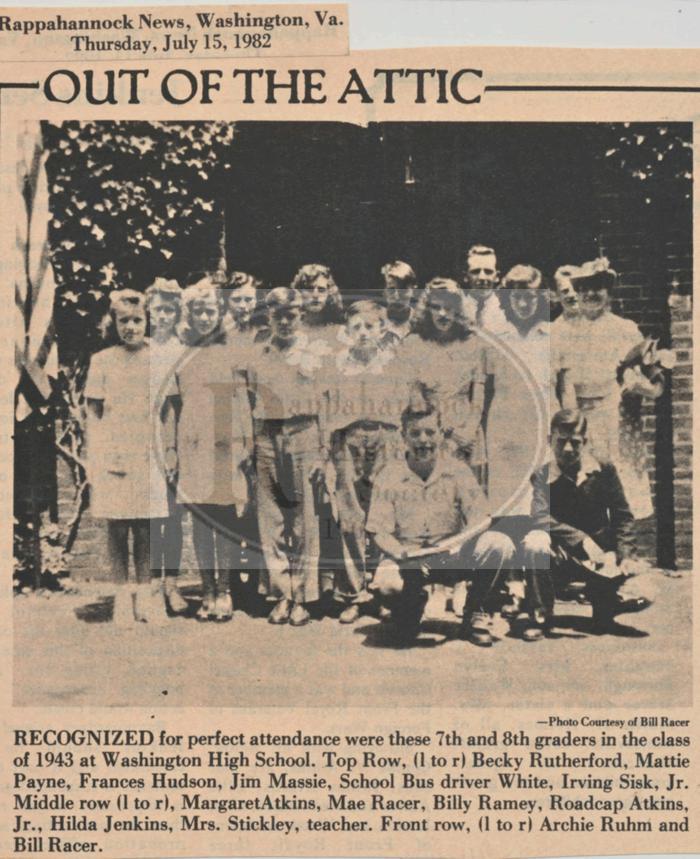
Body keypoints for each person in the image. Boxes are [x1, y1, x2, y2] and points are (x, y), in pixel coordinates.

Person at [366, 404, 516, 646]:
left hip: (451, 554)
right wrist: (402, 554)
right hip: (410, 556)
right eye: (415, 433)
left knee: (499, 544)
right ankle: (411, 609)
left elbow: (481, 518)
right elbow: (378, 530)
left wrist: (459, 543)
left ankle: (475, 613)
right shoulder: (389, 475)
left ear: (441, 434)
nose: (423, 440)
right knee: (387, 583)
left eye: (430, 432)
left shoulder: (458, 471)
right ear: (403, 436)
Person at [521, 408, 652, 639]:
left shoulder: (603, 469)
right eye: (561, 442)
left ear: (585, 442)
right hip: (562, 556)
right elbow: (539, 517)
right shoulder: (542, 475)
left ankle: (607, 608)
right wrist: (581, 541)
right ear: (550, 441)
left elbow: (623, 515)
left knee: (647, 592)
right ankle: (540, 617)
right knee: (534, 542)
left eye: (575, 442)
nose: (568, 449)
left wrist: (625, 555)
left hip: (602, 557)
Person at [85, 289, 171, 625]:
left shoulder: (159, 358)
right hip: (114, 454)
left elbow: (168, 410)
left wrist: (169, 450)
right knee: (118, 527)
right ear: (114, 323)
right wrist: (97, 454)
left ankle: (146, 597)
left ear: (147, 320)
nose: (131, 327)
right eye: (124, 321)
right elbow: (93, 411)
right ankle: (122, 596)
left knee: (146, 527)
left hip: (148, 452)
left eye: (137, 320)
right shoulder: (102, 360)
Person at [247, 286, 330, 627]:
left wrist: (323, 450)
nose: (284, 321)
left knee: (304, 520)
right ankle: (281, 593)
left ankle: (302, 596)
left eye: (291, 314)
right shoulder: (259, 351)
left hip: (304, 433)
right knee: (272, 519)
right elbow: (247, 398)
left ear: (301, 314)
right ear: (268, 315)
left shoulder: (315, 351)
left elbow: (326, 402)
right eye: (277, 314)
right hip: (267, 434)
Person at [172, 275, 253, 622]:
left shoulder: (230, 350)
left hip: (225, 444)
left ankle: (225, 591)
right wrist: (174, 449)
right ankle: (206, 591)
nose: (205, 318)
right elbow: (176, 407)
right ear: (190, 314)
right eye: (199, 312)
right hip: (193, 445)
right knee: (202, 521)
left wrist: (245, 442)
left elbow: (242, 400)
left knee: (225, 521)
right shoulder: (182, 354)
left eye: (211, 312)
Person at [326, 300, 409, 624]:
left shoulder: (393, 364)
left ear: (382, 329)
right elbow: (327, 410)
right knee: (351, 518)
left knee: (384, 515)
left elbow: (403, 409)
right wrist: (331, 453)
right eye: (356, 327)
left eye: (370, 327)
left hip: (385, 438)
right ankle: (354, 593)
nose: (363, 333)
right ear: (347, 331)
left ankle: (383, 591)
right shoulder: (337, 364)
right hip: (348, 439)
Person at [564, 257, 662, 518]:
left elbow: (654, 385)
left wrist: (637, 385)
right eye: (583, 288)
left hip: (616, 418)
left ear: (608, 292)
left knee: (622, 485)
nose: (590, 294)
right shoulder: (565, 331)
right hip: (580, 420)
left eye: (597, 287)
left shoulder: (624, 329)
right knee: (586, 487)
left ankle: (626, 556)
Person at [484, 264, 575, 517]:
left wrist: (570, 430)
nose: (524, 304)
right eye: (517, 297)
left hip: (544, 433)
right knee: (508, 507)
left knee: (547, 506)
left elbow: (566, 390)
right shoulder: (495, 339)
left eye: (530, 296)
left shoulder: (555, 336)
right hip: (506, 436)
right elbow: (484, 391)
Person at [403, 278, 487, 480]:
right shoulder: (413, 344)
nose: (442, 314)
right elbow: (415, 397)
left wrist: (467, 432)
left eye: (448, 308)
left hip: (467, 427)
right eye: (436, 307)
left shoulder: (473, 343)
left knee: (469, 496)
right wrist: (442, 433)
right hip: (429, 432)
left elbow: (479, 393)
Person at [144, 277, 188, 615]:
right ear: (148, 311)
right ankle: (151, 585)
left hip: (170, 437)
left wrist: (172, 448)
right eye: (158, 309)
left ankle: (171, 583)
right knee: (145, 515)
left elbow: (174, 406)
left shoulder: (181, 349)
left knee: (171, 516)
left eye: (169, 310)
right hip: (139, 440)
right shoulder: (140, 348)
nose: (163, 316)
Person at [291, 263, 345, 347]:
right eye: (309, 289)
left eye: (321, 290)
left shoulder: (340, 332)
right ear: (299, 292)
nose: (315, 295)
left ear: (329, 294)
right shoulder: (290, 330)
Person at [461, 244, 510, 334]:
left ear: (497, 277)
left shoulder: (509, 312)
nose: (482, 277)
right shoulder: (456, 308)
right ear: (465, 276)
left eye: (488, 271)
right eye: (475, 272)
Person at [380, 260, 418, 347]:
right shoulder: (372, 324)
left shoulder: (423, 325)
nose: (397, 296)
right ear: (384, 292)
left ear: (414, 291)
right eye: (391, 289)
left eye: (403, 289)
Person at [222, 270, 266, 341]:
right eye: (236, 300)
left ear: (257, 300)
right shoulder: (217, 333)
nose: (242, 306)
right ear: (226, 301)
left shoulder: (265, 333)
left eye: (248, 299)